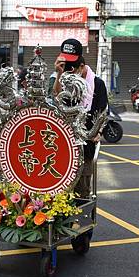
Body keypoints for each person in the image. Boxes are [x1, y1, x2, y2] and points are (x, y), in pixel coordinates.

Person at [52, 38, 108, 198]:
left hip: (86, 145)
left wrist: (98, 132)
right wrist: (58, 74)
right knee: (61, 186)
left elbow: (103, 112)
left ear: (81, 66)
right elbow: (57, 99)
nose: (68, 70)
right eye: (65, 66)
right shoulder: (65, 79)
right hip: (64, 144)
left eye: (71, 67)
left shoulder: (97, 84)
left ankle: (80, 220)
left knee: (82, 188)